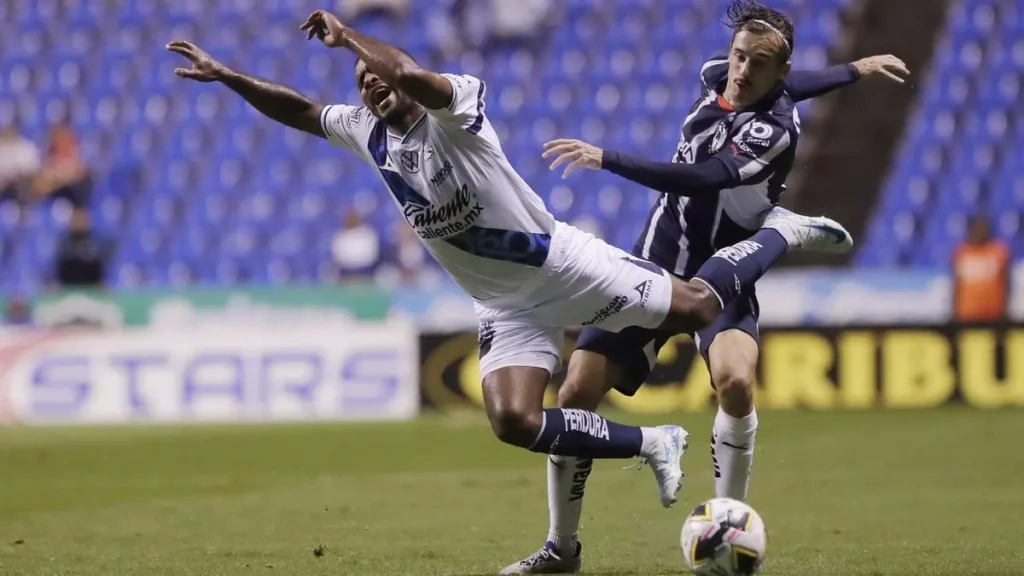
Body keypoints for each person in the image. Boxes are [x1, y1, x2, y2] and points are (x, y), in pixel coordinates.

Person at [167, 6, 849, 519]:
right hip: (503, 303)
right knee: (516, 420)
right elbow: (302, 110)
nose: (370, 86)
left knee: (703, 306)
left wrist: (352, 37)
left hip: (564, 265)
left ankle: (782, 233)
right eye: (361, 82)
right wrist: (228, 77)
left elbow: (407, 71)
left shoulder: (455, 106)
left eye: (377, 75)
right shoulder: (366, 131)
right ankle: (645, 452)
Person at [501, 1, 910, 572]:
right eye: (740, 55)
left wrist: (608, 158)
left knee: (737, 383)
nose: (742, 70)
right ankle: (561, 548)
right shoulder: (719, 74)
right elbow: (795, 79)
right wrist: (854, 69)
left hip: (721, 269)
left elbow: (704, 178)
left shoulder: (772, 130)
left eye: (759, 65)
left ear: (778, 74)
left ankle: (730, 525)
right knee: (573, 396)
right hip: (651, 263)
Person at [953, 214, 1009, 322]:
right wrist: (954, 311)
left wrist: (1005, 310)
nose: (980, 232)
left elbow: (1006, 283)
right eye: (977, 228)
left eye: (983, 228)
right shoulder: (962, 252)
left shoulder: (999, 252)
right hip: (967, 315)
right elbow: (956, 284)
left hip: (994, 314)